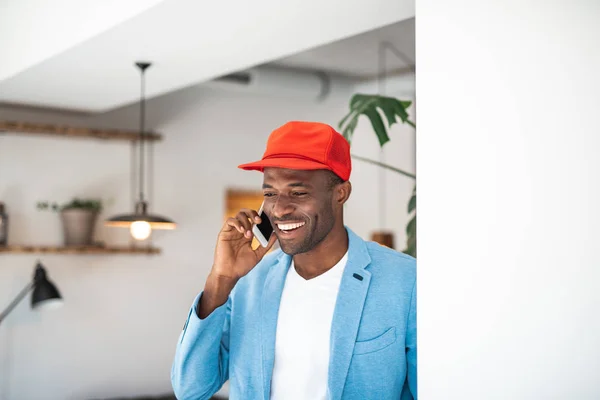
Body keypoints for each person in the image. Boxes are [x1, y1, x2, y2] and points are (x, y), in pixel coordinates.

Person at [171, 121, 417, 400]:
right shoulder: (248, 282)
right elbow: (191, 389)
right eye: (270, 194)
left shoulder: (405, 281)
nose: (280, 209)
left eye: (298, 192)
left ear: (341, 193)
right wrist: (221, 279)